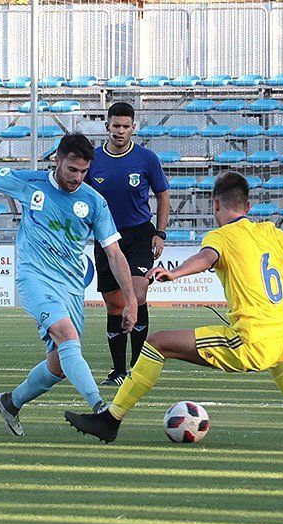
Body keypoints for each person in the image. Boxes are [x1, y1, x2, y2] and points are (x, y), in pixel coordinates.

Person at [63, 171, 283, 444]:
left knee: (157, 343)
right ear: (248, 205)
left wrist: (174, 272)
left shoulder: (221, 237)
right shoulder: (271, 232)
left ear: (216, 203)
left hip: (249, 342)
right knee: (276, 359)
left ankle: (110, 420)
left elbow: (206, 258)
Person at [0, 133, 137, 436]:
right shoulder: (29, 183)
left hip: (71, 288)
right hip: (34, 278)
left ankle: (11, 402)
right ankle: (101, 409)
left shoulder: (94, 202)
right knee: (66, 333)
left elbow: (114, 253)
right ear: (57, 160)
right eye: (72, 170)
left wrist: (132, 301)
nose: (77, 178)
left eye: (84, 172)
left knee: (59, 365)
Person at [86, 102, 170, 386]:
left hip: (138, 235)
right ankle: (118, 370)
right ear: (106, 126)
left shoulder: (147, 159)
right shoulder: (93, 160)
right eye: (116, 126)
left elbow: (163, 195)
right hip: (106, 236)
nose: (120, 131)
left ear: (134, 127)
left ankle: (138, 367)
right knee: (114, 304)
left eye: (126, 126)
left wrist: (160, 233)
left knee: (138, 292)